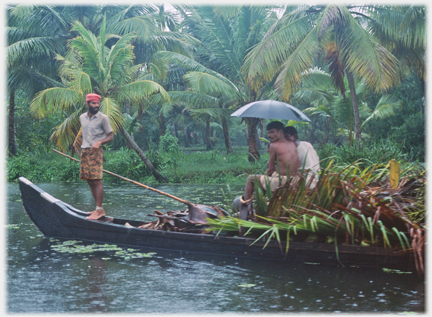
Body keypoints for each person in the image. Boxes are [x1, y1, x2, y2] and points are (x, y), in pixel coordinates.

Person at [238, 121, 299, 218]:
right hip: (295, 181)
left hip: (283, 182)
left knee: (251, 178)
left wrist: (264, 178)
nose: (269, 135)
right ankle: (263, 205)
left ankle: (247, 208)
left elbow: (270, 169)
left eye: (272, 132)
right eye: (268, 133)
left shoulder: (274, 145)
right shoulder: (293, 144)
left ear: (280, 132)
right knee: (266, 178)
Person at [80, 93, 114, 220]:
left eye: (97, 103)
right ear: (87, 104)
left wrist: (99, 142)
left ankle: (99, 210)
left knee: (96, 180)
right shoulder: (82, 117)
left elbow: (110, 136)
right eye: (93, 103)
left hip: (96, 152)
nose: (96, 106)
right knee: (89, 179)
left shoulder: (103, 118)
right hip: (85, 151)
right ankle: (99, 209)